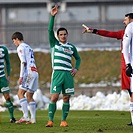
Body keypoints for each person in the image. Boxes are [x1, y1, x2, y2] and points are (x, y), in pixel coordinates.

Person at [46, 5, 81, 127]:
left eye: (65, 34)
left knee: (66, 98)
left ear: (67, 35)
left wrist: (76, 68)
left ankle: (63, 121)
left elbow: (78, 58)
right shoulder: (54, 44)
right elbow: (50, 31)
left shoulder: (71, 47)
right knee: (54, 97)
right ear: (58, 36)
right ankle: (50, 120)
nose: (63, 36)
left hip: (68, 74)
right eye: (61, 34)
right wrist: (52, 17)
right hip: (57, 73)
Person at [82, 13, 133, 97]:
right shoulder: (124, 33)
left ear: (131, 20)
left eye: (125, 20)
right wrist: (94, 31)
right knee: (130, 90)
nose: (123, 22)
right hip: (126, 64)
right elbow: (110, 34)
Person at [11, 32, 39, 124]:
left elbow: (23, 62)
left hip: (28, 73)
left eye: (14, 41)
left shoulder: (20, 47)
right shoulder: (28, 47)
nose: (14, 43)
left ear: (17, 39)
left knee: (20, 93)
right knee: (29, 96)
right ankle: (33, 119)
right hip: (35, 72)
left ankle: (26, 116)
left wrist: (21, 76)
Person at [0, 45, 16, 123]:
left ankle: (12, 117)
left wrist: (8, 75)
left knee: (7, 97)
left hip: (2, 77)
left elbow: (8, 63)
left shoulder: (3, 49)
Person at [123, 13, 133, 126]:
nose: (123, 21)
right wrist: (128, 64)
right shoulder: (130, 27)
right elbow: (125, 46)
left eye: (125, 19)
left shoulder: (130, 26)